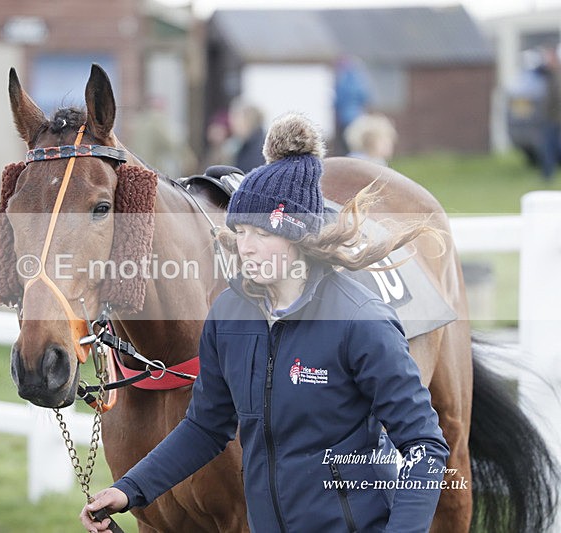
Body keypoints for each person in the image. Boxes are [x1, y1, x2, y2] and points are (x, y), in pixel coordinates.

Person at [82, 112, 449, 532]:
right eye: (239, 231)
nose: (246, 247)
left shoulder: (360, 322)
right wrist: (130, 489)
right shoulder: (228, 315)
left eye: (262, 234)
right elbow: (205, 427)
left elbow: (424, 445)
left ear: (299, 237)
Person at [334, 55, 371, 156]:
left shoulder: (342, 81)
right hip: (358, 117)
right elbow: (365, 97)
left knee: (346, 144)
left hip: (345, 118)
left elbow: (337, 100)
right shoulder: (360, 80)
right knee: (357, 142)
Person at [537, 45, 561, 182]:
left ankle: (548, 175)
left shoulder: (556, 75)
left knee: (551, 147)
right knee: (549, 147)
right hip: (550, 118)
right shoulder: (550, 74)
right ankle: (547, 174)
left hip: (555, 119)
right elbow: (538, 69)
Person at [229, 99, 266, 173]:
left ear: (248, 120)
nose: (232, 125)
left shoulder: (260, 147)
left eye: (236, 119)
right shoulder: (244, 143)